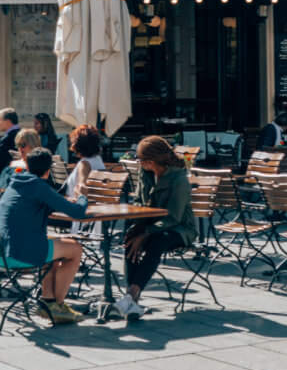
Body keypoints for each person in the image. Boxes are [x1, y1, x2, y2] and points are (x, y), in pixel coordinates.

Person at [0, 148, 88, 323]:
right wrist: (82, 195)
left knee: (52, 246)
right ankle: (58, 306)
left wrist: (60, 202)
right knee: (75, 249)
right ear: (48, 170)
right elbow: (78, 213)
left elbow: (35, 204)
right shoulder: (38, 186)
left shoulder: (16, 182)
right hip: (16, 254)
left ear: (27, 166)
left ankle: (48, 301)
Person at [120, 134, 198, 319]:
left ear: (151, 161)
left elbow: (174, 217)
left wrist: (146, 232)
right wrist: (138, 227)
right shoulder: (146, 173)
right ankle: (132, 300)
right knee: (131, 238)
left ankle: (132, 293)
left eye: (140, 160)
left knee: (156, 242)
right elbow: (139, 200)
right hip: (152, 224)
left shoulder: (178, 179)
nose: (138, 163)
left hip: (180, 229)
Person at [65, 125, 106, 202]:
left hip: (75, 205)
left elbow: (81, 188)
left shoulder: (84, 164)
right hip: (96, 204)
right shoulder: (98, 160)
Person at [0, 127, 38, 192]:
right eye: (18, 145)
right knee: (8, 171)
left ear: (32, 144)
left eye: (23, 145)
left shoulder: (40, 161)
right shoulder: (20, 166)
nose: (20, 149)